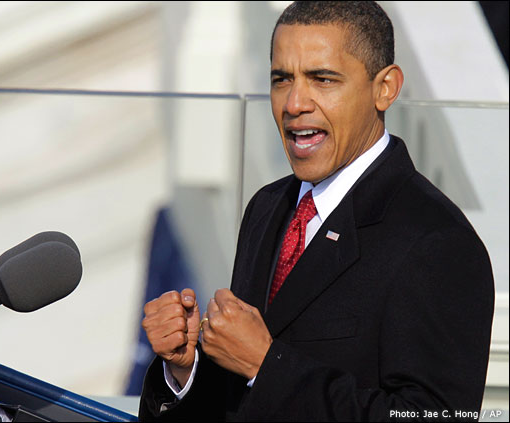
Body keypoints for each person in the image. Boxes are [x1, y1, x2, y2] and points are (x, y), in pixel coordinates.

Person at [138, 2, 495, 421]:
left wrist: (265, 365)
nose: (294, 103)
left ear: (386, 88)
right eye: (281, 79)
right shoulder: (268, 208)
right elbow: (241, 398)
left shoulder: (438, 242)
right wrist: (185, 369)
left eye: (322, 79)